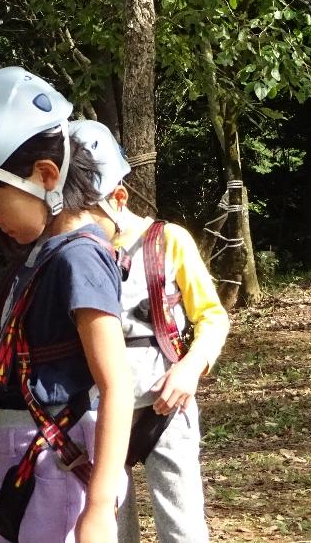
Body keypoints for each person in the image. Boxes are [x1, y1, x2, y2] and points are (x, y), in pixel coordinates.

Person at [0, 67, 134, 543]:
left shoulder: (79, 258)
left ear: (46, 176)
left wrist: (100, 508)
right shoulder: (39, 258)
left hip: (58, 464)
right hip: (32, 460)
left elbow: (118, 384)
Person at [69, 120, 230, 543]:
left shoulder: (169, 241)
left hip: (166, 406)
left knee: (182, 528)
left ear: (118, 197)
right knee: (109, 524)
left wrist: (191, 367)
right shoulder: (76, 255)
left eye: (86, 212)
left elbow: (212, 317)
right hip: (96, 414)